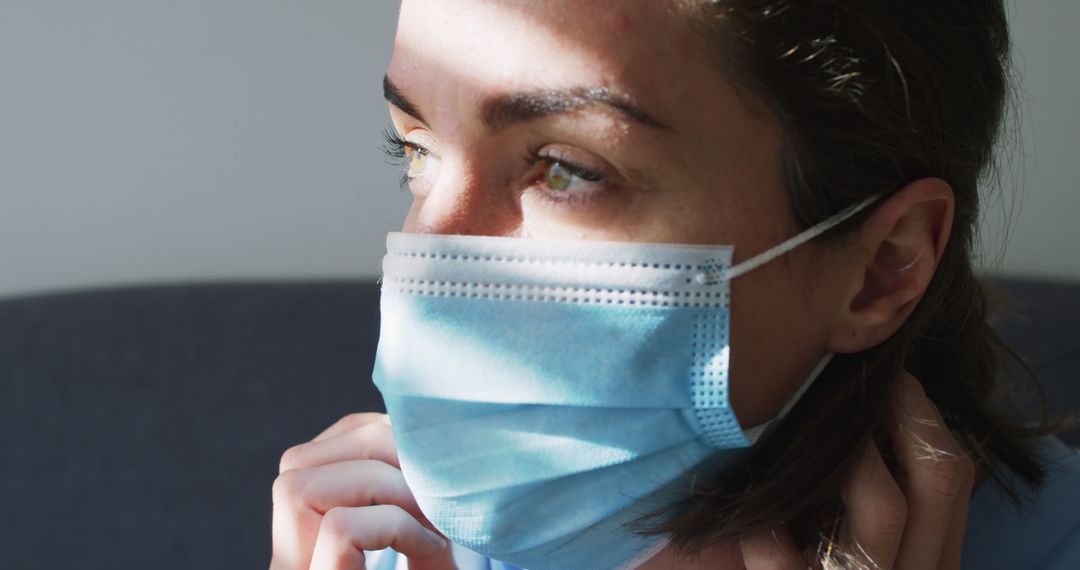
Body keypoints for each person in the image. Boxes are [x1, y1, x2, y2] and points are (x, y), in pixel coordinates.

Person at [269, 1, 1080, 568]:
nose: (425, 262)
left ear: (880, 269)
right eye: (416, 149)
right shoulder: (388, 541)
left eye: (565, 168)